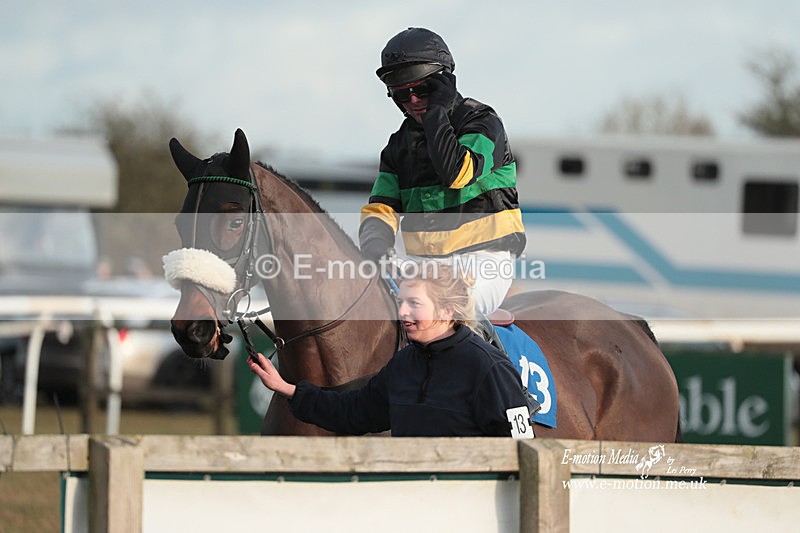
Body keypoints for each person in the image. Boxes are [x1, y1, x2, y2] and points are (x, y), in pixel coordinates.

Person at [248, 262, 535, 438]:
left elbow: (523, 446)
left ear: (447, 310)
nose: (402, 312)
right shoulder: (402, 365)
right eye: (401, 302)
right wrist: (288, 389)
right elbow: (353, 411)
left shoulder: (489, 368)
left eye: (414, 304)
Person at [359, 27, 527, 316]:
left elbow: (457, 172)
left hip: (482, 262)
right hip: (422, 269)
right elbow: (380, 209)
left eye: (422, 90)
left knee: (443, 313)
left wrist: (437, 112)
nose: (412, 101)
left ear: (445, 83)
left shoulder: (483, 122)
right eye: (401, 94)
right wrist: (376, 245)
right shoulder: (397, 146)